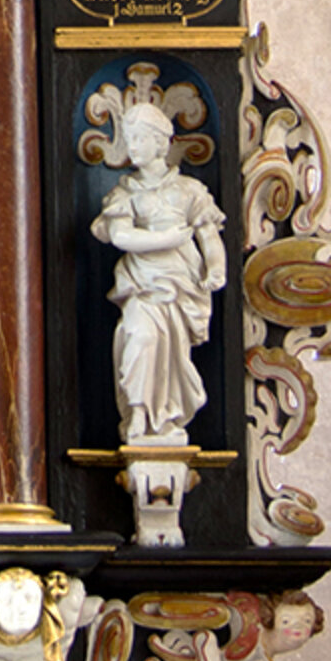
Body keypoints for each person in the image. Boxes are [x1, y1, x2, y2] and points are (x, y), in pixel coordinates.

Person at [91, 102, 227, 446]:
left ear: (160, 143)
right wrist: (167, 238)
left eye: (139, 139)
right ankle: (138, 412)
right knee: (140, 338)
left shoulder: (189, 191)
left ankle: (165, 417)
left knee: (173, 354)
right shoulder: (124, 193)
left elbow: (209, 236)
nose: (132, 147)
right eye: (129, 139)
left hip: (181, 287)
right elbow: (121, 237)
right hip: (142, 286)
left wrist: (216, 268)